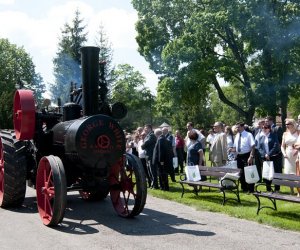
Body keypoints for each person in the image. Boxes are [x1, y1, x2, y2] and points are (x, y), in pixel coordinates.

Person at [230, 122, 256, 193]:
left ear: (242, 127)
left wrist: (251, 156)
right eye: (236, 127)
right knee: (241, 173)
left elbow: (253, 146)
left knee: (249, 172)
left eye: (238, 127)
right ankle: (244, 188)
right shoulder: (237, 136)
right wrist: (231, 150)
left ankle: (251, 189)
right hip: (239, 156)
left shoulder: (248, 135)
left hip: (247, 155)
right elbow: (235, 148)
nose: (237, 129)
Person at [256, 124, 281, 192]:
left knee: (275, 173)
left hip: (274, 157)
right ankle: (268, 188)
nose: (264, 129)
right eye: (263, 128)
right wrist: (265, 155)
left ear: (269, 129)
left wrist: (269, 154)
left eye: (266, 128)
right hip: (265, 158)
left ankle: (277, 188)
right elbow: (259, 148)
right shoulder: (261, 137)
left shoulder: (273, 135)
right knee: (267, 172)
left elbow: (276, 146)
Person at [281, 118, 299, 194]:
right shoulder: (285, 134)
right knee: (289, 174)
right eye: (286, 124)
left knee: (297, 173)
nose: (287, 125)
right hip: (288, 155)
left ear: (293, 124)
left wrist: (298, 150)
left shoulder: (298, 133)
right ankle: (291, 190)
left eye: (288, 124)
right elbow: (282, 146)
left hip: (297, 155)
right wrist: (284, 154)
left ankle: (299, 191)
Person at [141, 124, 158, 189]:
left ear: (150, 129)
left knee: (153, 171)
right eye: (145, 128)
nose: (145, 130)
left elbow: (146, 143)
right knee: (149, 171)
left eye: (146, 128)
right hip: (147, 156)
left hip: (151, 155)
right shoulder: (148, 136)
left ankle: (155, 185)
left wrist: (142, 146)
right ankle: (152, 184)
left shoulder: (152, 135)